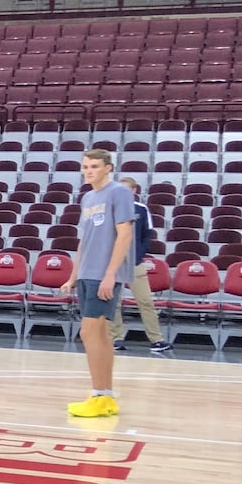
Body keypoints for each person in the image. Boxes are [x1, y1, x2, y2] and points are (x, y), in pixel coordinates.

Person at [61, 148, 134, 418]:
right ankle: (105, 396)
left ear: (107, 168)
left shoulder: (119, 193)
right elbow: (84, 240)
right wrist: (73, 274)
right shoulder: (88, 198)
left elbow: (125, 234)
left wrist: (111, 273)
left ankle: (99, 394)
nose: (88, 171)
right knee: (100, 335)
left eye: (94, 166)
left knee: (89, 332)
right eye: (85, 166)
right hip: (86, 273)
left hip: (103, 274)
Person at [108, 177, 171, 354]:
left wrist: (139, 254)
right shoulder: (110, 209)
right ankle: (116, 338)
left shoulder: (142, 210)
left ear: (134, 190)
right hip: (115, 263)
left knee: (146, 301)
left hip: (135, 263)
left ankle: (156, 340)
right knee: (114, 303)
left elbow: (147, 235)